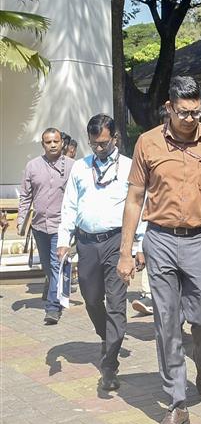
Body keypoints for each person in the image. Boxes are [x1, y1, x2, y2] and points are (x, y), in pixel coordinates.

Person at [118, 76, 201, 424]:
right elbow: (134, 199)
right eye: (183, 112)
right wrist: (125, 253)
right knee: (166, 323)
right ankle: (177, 403)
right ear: (169, 107)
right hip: (161, 240)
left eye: (196, 111)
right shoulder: (147, 143)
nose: (190, 118)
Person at [56, 114, 145, 392]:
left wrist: (137, 247)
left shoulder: (130, 167)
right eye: (94, 144)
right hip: (86, 244)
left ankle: (109, 365)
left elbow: (141, 209)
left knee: (117, 304)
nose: (98, 149)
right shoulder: (81, 168)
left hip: (117, 243)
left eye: (103, 144)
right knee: (92, 298)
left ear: (115, 139)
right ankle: (107, 337)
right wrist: (63, 239)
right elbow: (69, 205)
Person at [17, 128, 74, 325]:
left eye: (56, 141)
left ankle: (52, 308)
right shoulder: (32, 166)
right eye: (48, 142)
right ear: (43, 145)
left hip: (61, 226)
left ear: (62, 143)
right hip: (39, 226)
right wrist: (21, 220)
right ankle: (53, 285)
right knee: (48, 266)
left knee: (56, 264)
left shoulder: (73, 167)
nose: (52, 145)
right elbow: (25, 196)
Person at [131, 105, 168, 318]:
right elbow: (140, 199)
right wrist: (137, 243)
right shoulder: (149, 147)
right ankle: (149, 297)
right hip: (154, 226)